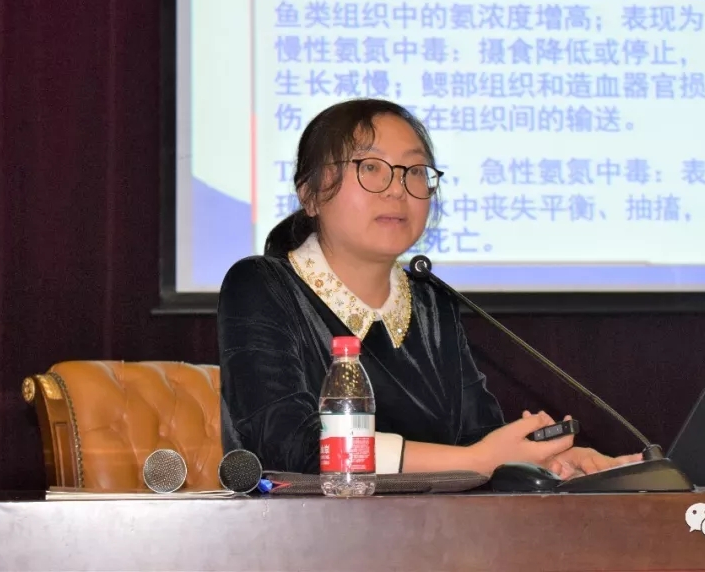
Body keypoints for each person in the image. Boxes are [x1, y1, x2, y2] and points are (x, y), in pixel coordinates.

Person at [217, 99, 640, 479]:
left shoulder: (431, 304)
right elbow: (288, 445)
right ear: (310, 194)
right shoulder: (262, 286)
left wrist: (548, 460)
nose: (397, 188)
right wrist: (476, 460)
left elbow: (480, 438)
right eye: (370, 167)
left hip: (436, 532)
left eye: (415, 171)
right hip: (308, 533)